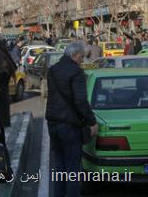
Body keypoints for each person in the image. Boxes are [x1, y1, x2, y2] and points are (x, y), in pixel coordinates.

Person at [45, 42, 98, 197]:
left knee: (59, 166)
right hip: (69, 126)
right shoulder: (76, 72)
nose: (82, 60)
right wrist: (91, 122)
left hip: (53, 123)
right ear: (75, 56)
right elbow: (80, 101)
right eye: (81, 57)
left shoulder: (53, 70)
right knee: (73, 169)